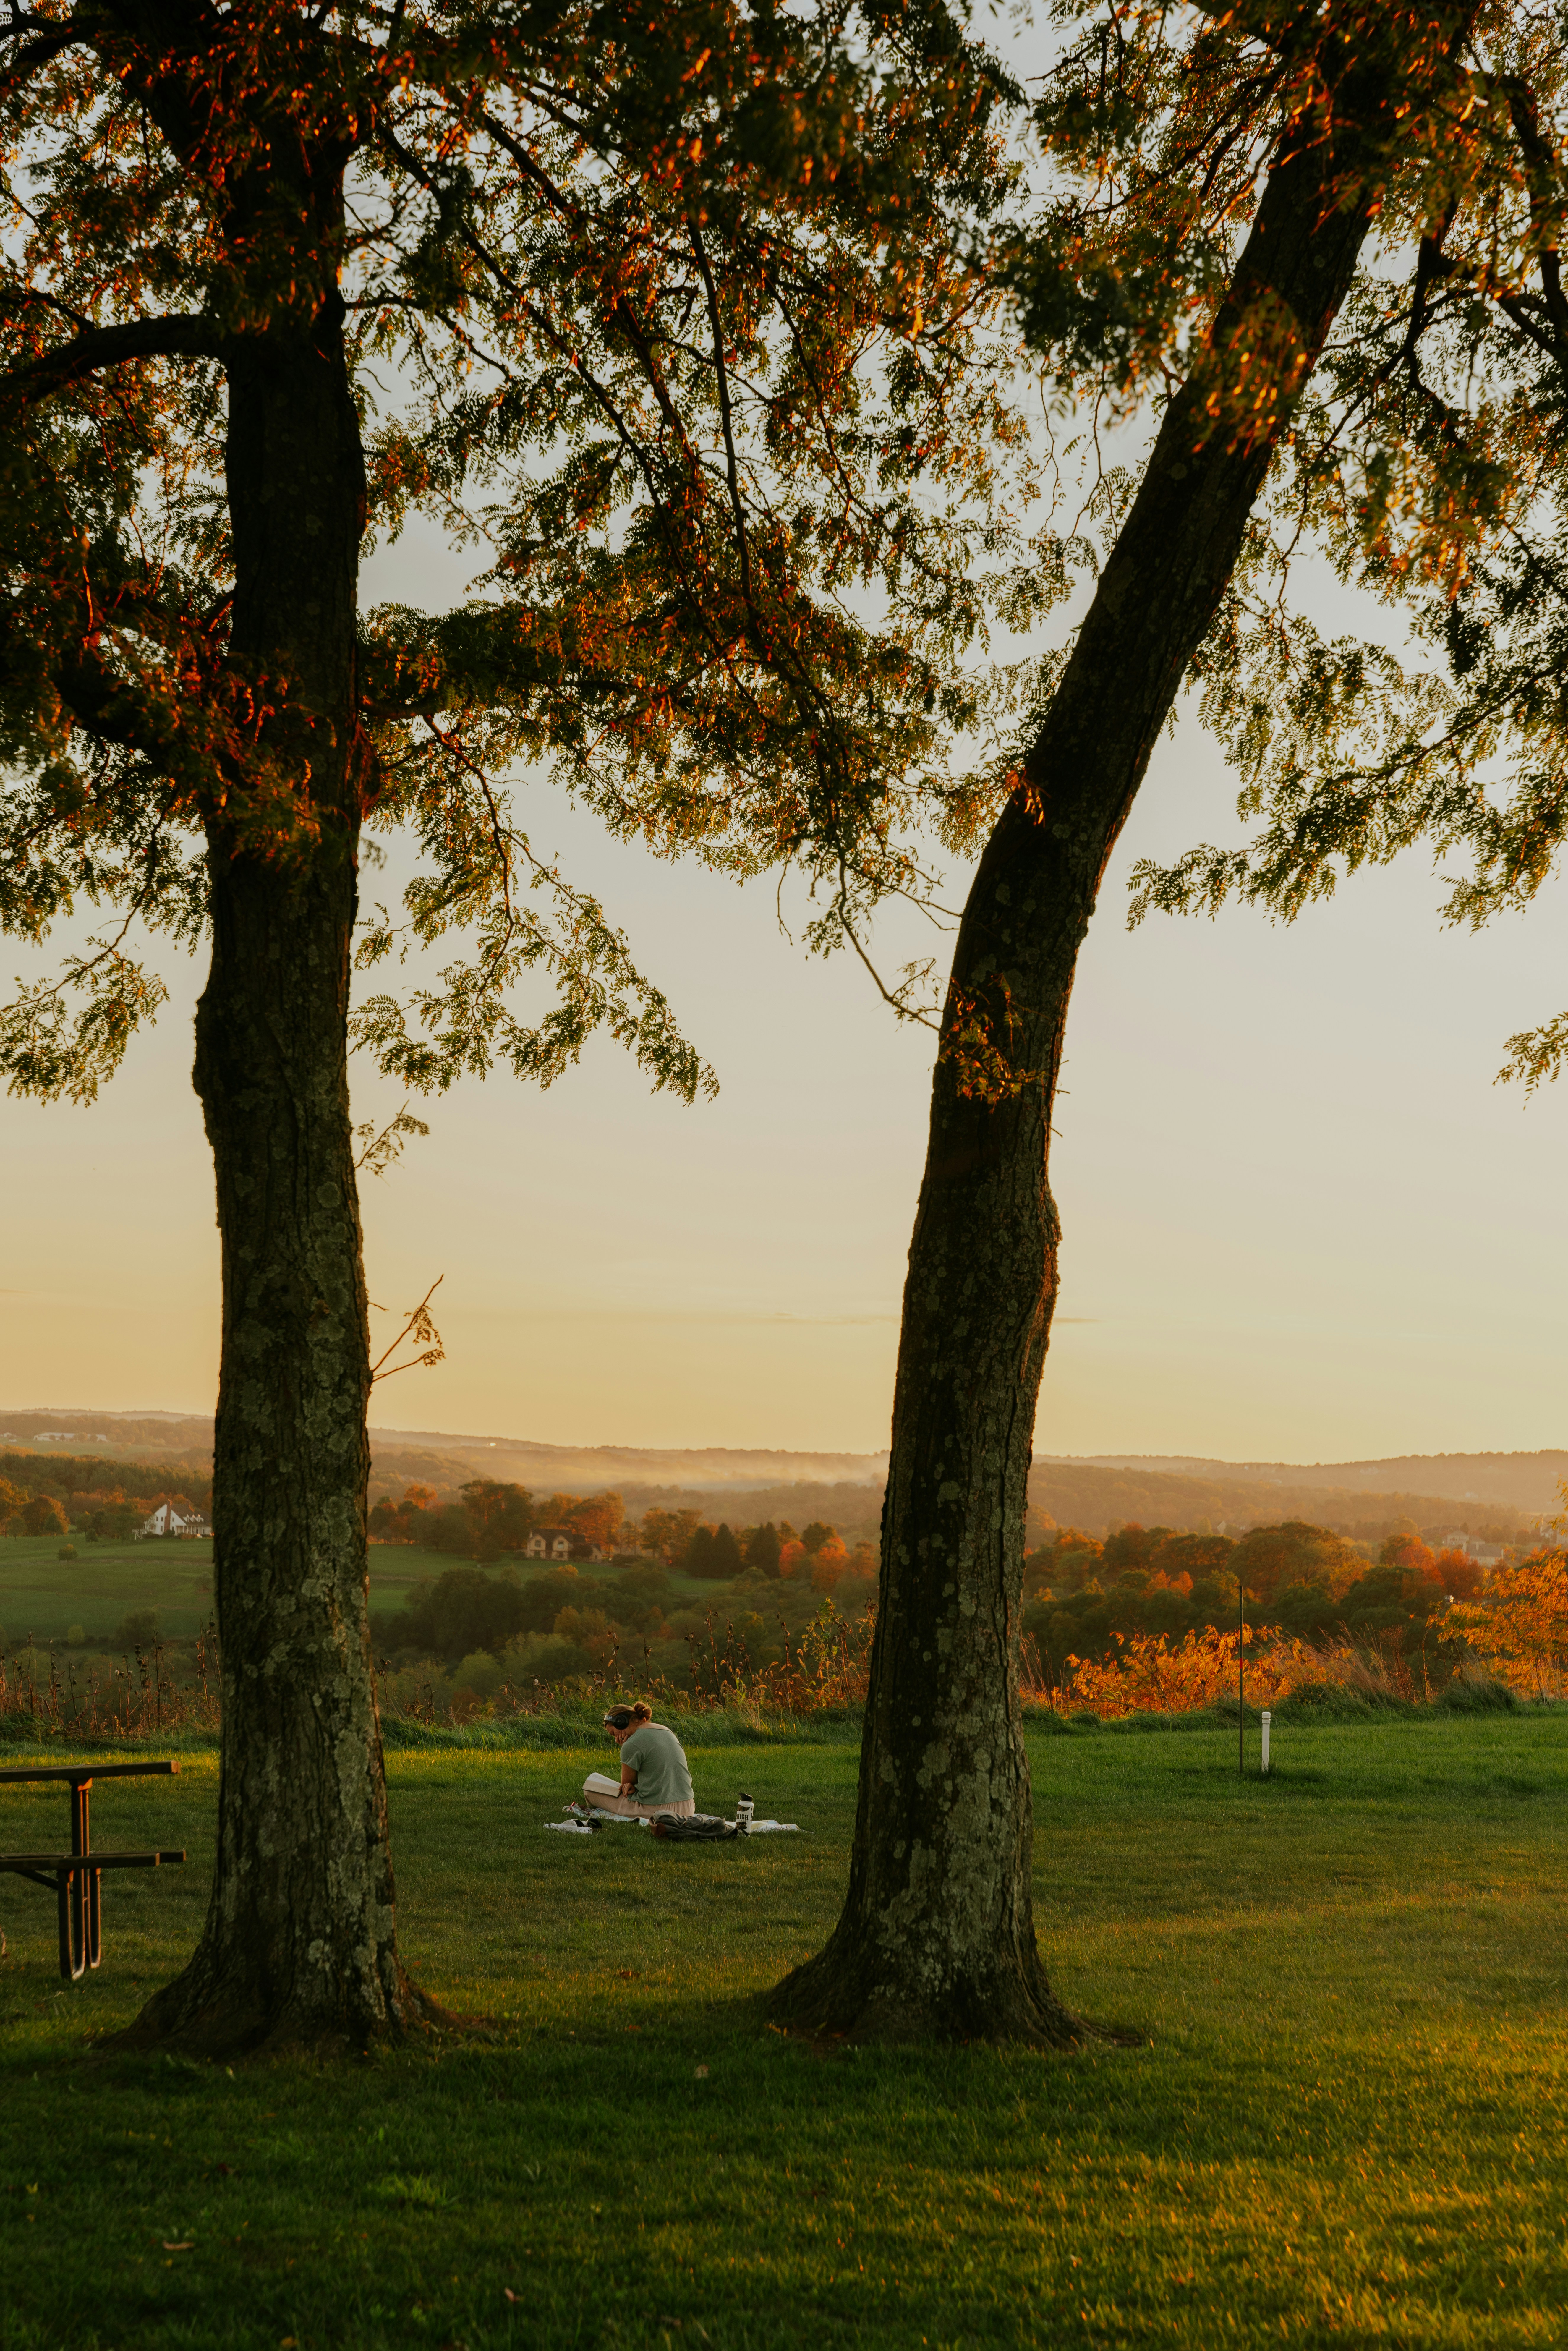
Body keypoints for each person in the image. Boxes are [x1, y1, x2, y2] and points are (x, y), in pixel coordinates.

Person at [579, 1701, 695, 1820]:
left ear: (621, 1722)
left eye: (614, 1734)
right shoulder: (666, 1730)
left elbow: (626, 1786)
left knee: (590, 1791)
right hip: (688, 1807)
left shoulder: (631, 1745)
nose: (615, 1740)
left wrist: (625, 1747)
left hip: (658, 1810)